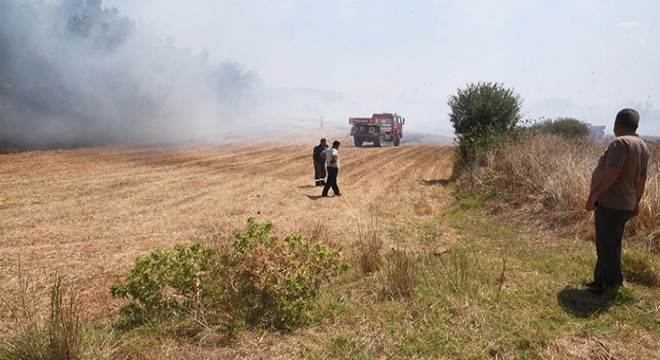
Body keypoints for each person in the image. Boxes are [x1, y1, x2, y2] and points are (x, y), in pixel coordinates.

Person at [584, 108, 650, 294]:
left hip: (611, 203)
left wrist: (593, 195)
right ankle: (601, 280)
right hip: (625, 204)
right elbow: (642, 179)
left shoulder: (620, 143)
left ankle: (610, 285)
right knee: (609, 243)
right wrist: (636, 202)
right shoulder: (642, 146)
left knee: (608, 246)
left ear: (617, 125)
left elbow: (613, 171)